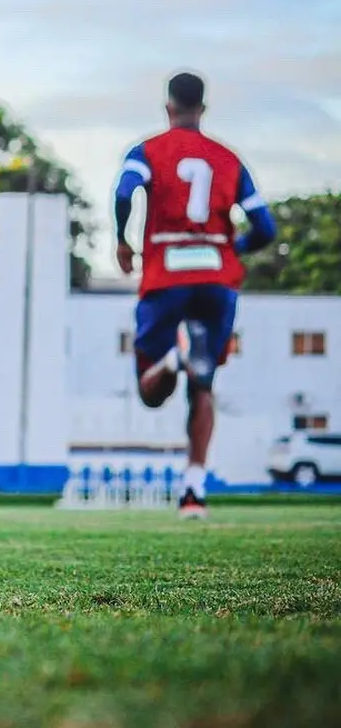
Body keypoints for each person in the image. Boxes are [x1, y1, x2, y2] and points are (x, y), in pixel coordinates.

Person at [113, 71, 274, 519]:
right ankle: (194, 491)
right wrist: (230, 249)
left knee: (151, 393)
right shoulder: (229, 159)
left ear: (169, 107)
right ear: (202, 109)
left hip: (165, 274)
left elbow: (125, 191)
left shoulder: (147, 151)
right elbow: (265, 228)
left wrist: (123, 240)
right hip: (216, 279)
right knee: (203, 385)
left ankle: (171, 360)